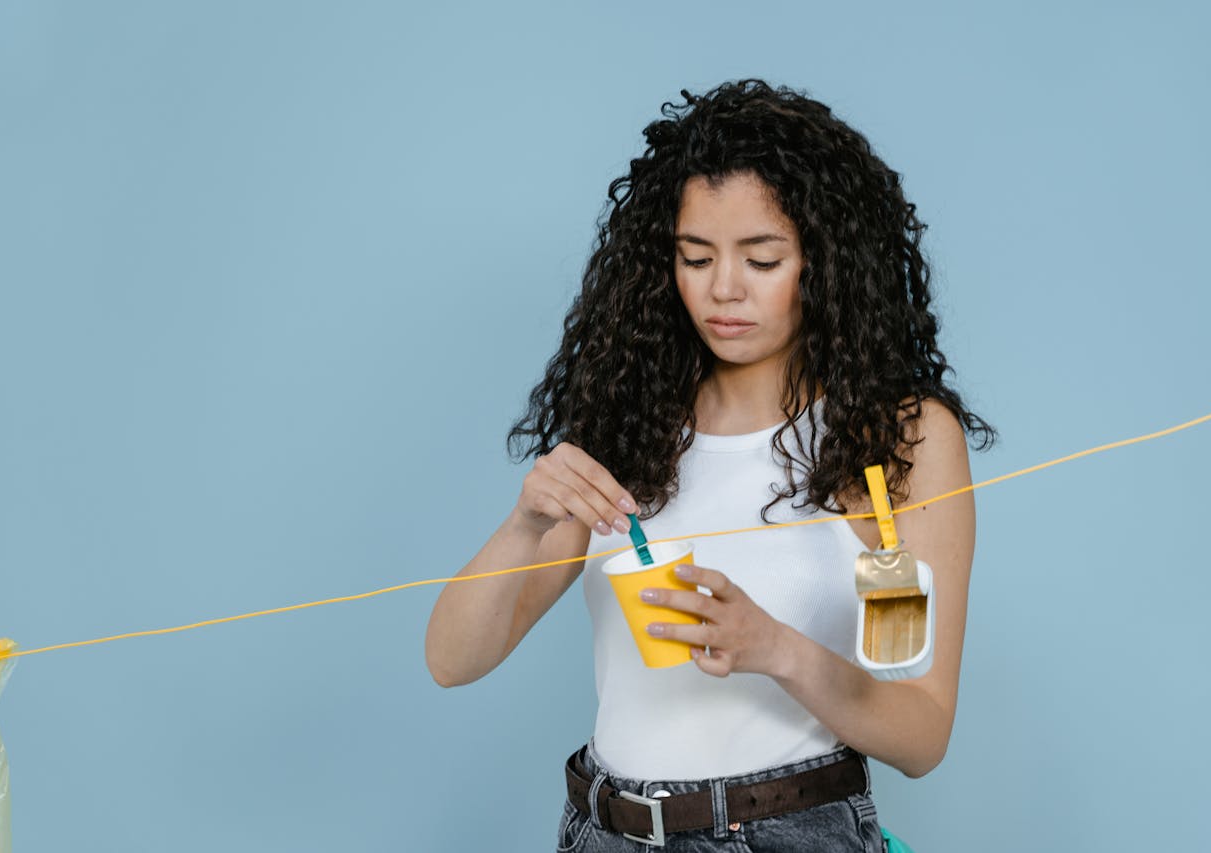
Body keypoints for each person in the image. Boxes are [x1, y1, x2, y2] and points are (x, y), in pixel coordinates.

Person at [425, 79, 995, 852]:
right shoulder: (631, 425)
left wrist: (774, 647)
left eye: (762, 259)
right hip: (603, 830)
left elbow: (924, 734)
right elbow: (452, 660)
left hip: (785, 830)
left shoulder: (894, 439)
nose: (723, 289)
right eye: (695, 257)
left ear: (825, 264)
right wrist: (524, 523)